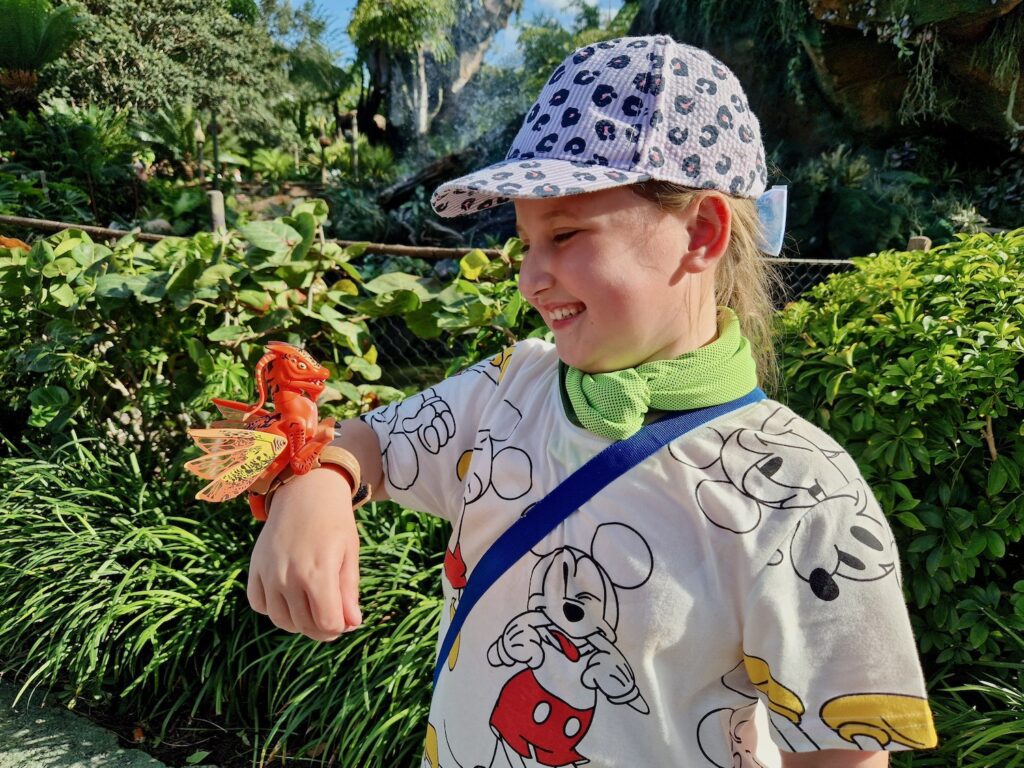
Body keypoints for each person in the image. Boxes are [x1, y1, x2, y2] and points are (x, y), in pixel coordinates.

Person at [247, 35, 937, 768]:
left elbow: (839, 752)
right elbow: (371, 444)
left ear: (702, 233)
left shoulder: (799, 489)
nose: (530, 277)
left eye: (567, 235)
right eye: (525, 242)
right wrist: (317, 485)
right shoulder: (510, 387)